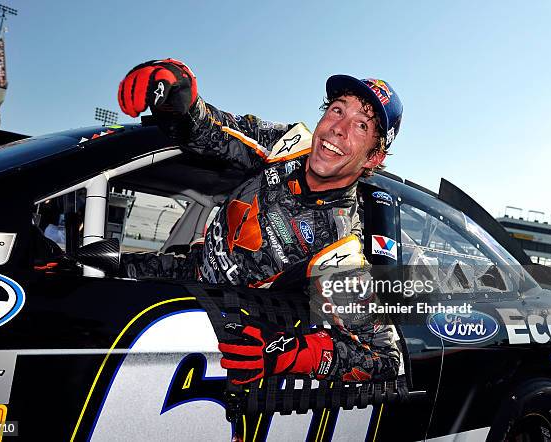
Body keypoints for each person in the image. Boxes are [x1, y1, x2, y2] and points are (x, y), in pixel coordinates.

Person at [117, 58, 402, 385]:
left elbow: (383, 356)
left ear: (373, 158)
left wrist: (295, 353)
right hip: (185, 269)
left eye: (361, 125)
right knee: (86, 268)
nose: (339, 128)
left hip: (220, 326)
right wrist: (180, 102)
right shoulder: (290, 143)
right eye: (338, 109)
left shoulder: (340, 248)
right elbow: (213, 129)